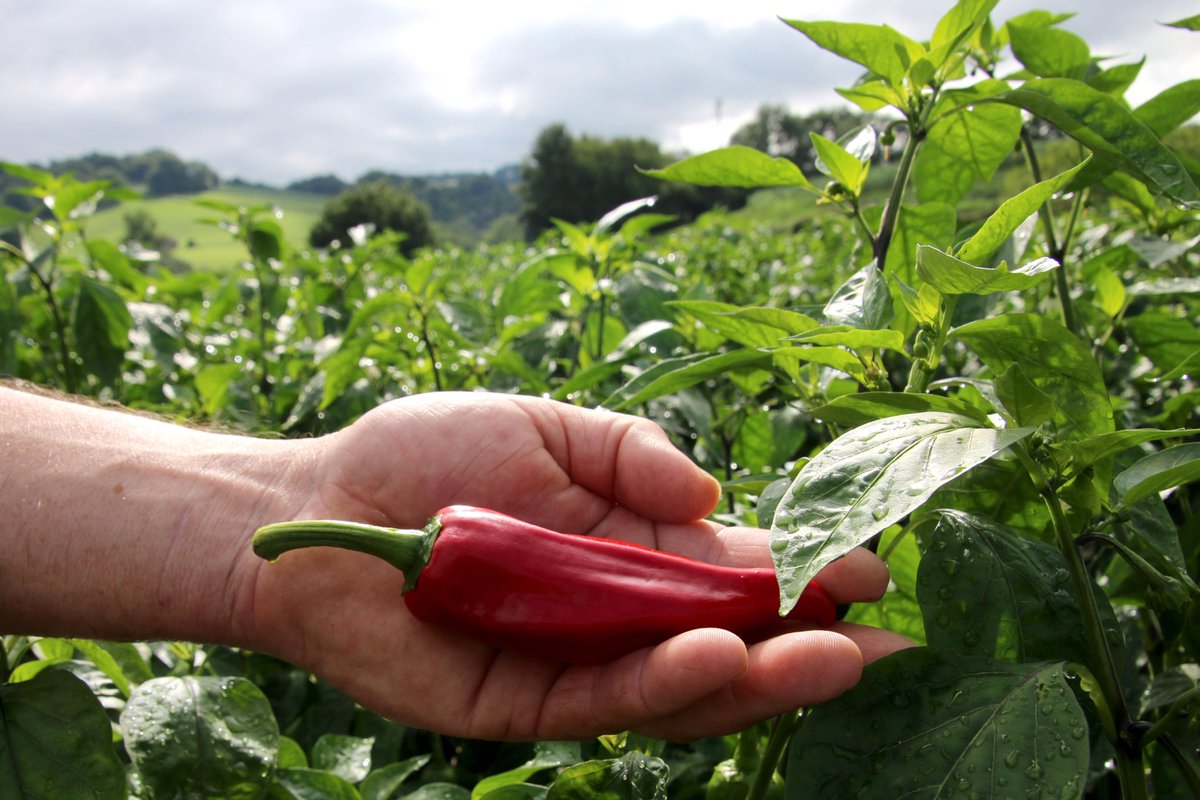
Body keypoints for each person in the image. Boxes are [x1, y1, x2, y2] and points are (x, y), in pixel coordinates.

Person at [0, 383, 909, 741]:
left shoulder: (455, 548)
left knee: (773, 612)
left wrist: (294, 494)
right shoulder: (445, 574)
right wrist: (295, 496)